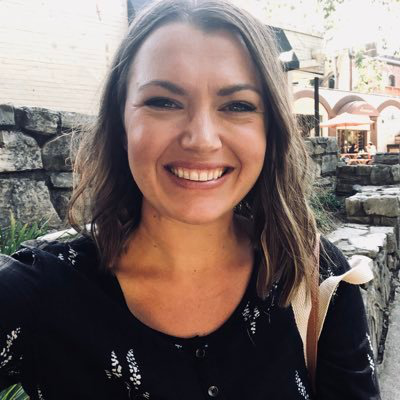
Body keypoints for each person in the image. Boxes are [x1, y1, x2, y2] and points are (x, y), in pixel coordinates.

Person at [0, 0, 380, 399]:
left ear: (271, 131)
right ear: (121, 122)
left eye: (237, 106)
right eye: (163, 102)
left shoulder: (312, 274)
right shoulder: (41, 291)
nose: (201, 139)